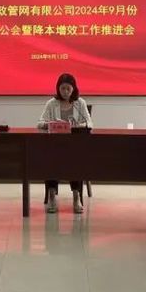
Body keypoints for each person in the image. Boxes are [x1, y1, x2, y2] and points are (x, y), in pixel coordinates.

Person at [38, 73, 93, 215]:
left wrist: (76, 126)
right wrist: (51, 124)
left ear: (74, 89)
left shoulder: (80, 103)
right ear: (58, 88)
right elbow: (40, 123)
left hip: (74, 145)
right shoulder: (51, 103)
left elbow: (89, 123)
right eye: (63, 88)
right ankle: (52, 195)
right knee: (50, 158)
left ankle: (76, 196)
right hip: (54, 145)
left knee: (74, 158)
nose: (66, 92)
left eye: (68, 89)